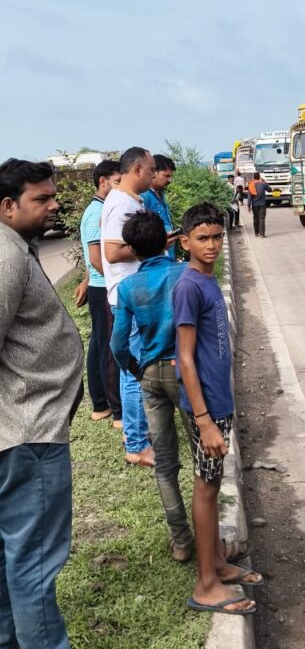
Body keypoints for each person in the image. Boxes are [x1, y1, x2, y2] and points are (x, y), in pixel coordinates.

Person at [0, 159, 84, 649]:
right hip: (30, 433)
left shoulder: (16, 248)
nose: (54, 205)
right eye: (42, 198)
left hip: (20, 429)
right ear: (7, 207)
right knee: (34, 563)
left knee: (12, 554)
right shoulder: (7, 258)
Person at [174, 202, 260, 615]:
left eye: (217, 237)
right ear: (185, 241)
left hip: (218, 403)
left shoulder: (209, 280)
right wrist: (205, 419)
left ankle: (219, 565)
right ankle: (205, 584)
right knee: (206, 488)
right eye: (202, 238)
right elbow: (185, 358)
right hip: (204, 408)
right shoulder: (189, 286)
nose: (211, 245)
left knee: (213, 479)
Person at [111, 212, 193, 562]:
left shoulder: (128, 288)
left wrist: (135, 368)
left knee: (164, 463)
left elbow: (118, 344)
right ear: (167, 240)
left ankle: (181, 540)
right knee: (204, 453)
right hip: (186, 372)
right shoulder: (186, 274)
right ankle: (208, 532)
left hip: (150, 375)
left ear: (132, 249)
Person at [101, 147, 156, 466]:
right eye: (150, 171)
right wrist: (151, 248)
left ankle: (134, 434)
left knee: (130, 370)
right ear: (137, 169)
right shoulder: (121, 203)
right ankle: (136, 444)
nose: (152, 176)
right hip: (129, 298)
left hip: (130, 296)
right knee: (136, 372)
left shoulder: (129, 200)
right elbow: (112, 252)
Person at [78, 159, 123, 428]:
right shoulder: (96, 212)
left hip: (97, 286)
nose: (120, 187)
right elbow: (96, 258)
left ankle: (99, 404)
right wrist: (117, 281)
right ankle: (116, 409)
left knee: (99, 344)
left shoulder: (100, 208)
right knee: (108, 349)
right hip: (103, 287)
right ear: (103, 181)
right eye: (117, 181)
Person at [141, 154, 178, 259]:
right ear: (154, 173)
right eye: (166, 176)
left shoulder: (161, 194)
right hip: (156, 257)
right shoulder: (144, 196)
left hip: (168, 254)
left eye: (171, 176)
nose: (169, 180)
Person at [247, 171, 272, 237]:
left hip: (255, 205)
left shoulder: (251, 184)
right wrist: (265, 182)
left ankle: (256, 233)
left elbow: (249, 196)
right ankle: (262, 234)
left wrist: (248, 205)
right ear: (259, 177)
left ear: (253, 177)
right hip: (262, 204)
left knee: (255, 218)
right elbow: (270, 190)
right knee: (262, 218)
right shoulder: (263, 184)